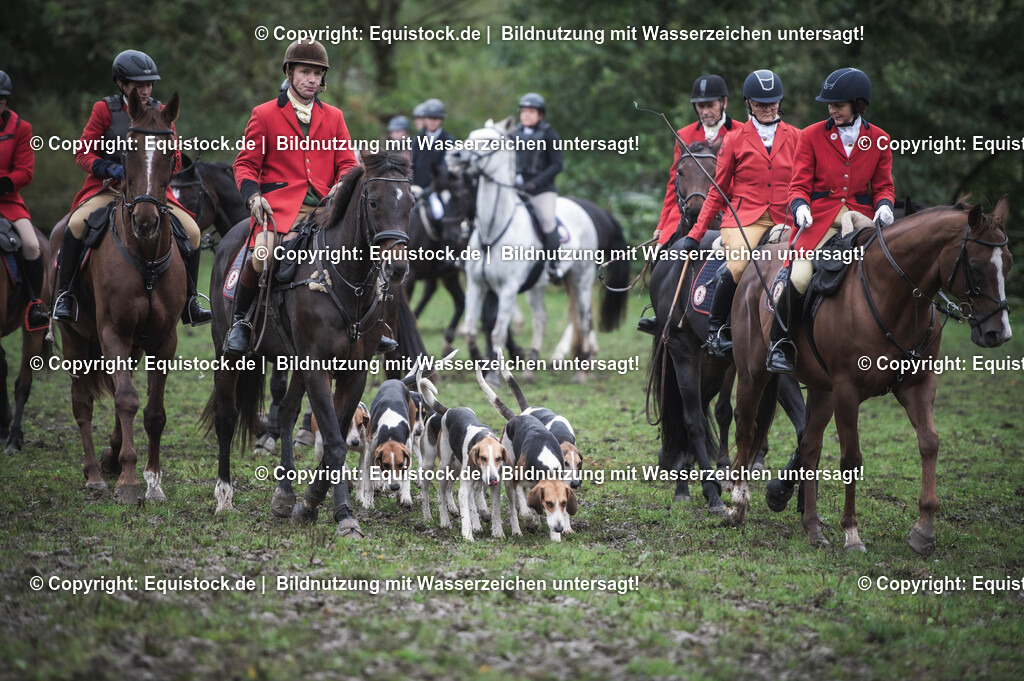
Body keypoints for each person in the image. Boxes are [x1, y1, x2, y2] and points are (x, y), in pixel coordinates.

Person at [226, 39, 395, 355]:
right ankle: (241, 321)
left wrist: (343, 183)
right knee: (262, 256)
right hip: (278, 210)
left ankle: (374, 323)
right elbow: (246, 164)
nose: (312, 79)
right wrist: (253, 198)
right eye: (305, 72)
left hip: (326, 210)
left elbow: (347, 162)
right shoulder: (263, 115)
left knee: (365, 251)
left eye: (317, 74)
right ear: (289, 73)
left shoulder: (334, 116)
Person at [54, 50, 209, 325]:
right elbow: (83, 153)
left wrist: (155, 175)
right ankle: (65, 295)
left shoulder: (162, 113)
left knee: (194, 232)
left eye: (149, 84)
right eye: (139, 85)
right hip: (109, 189)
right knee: (75, 224)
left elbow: (174, 160)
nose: (145, 90)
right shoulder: (105, 110)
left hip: (151, 193)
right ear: (122, 85)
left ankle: (190, 302)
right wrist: (108, 168)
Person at [769, 67, 894, 373]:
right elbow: (797, 184)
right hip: (819, 222)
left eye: (838, 104)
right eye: (829, 104)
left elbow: (883, 186)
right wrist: (799, 205)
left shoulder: (879, 139)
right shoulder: (811, 135)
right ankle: (780, 343)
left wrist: (885, 206)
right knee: (798, 277)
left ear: (858, 104)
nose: (832, 109)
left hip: (861, 222)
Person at [682, 69, 800, 356]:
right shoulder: (734, 139)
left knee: (802, 269)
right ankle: (717, 329)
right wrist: (696, 234)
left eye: (772, 103)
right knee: (736, 266)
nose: (768, 109)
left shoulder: (797, 137)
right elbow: (717, 190)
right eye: (761, 104)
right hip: (746, 218)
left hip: (786, 217)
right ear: (748, 104)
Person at [638, 74, 735, 334]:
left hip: (727, 209)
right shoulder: (683, 134)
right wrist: (661, 226)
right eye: (700, 105)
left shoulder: (739, 132)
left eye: (710, 104)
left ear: (723, 103)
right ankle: (662, 315)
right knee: (660, 253)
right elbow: (673, 184)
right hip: (687, 209)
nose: (705, 111)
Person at [0, 70, 48, 328]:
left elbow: (25, 171)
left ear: (5, 102)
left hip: (8, 202)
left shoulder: (21, 128)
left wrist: (3, 183)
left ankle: (34, 305)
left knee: (31, 245)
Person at [511, 92, 564, 278]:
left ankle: (553, 264)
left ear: (540, 115)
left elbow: (557, 165)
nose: (526, 115)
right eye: (524, 111)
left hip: (542, 190)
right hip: (515, 189)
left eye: (531, 111)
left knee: (548, 221)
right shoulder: (512, 134)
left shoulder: (550, 134)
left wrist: (535, 182)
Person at [410, 98, 453, 191]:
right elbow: (411, 165)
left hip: (439, 190)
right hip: (417, 189)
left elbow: (446, 168)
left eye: (436, 118)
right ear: (424, 118)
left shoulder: (448, 140)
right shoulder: (417, 139)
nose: (432, 121)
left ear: (441, 119)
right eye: (429, 117)